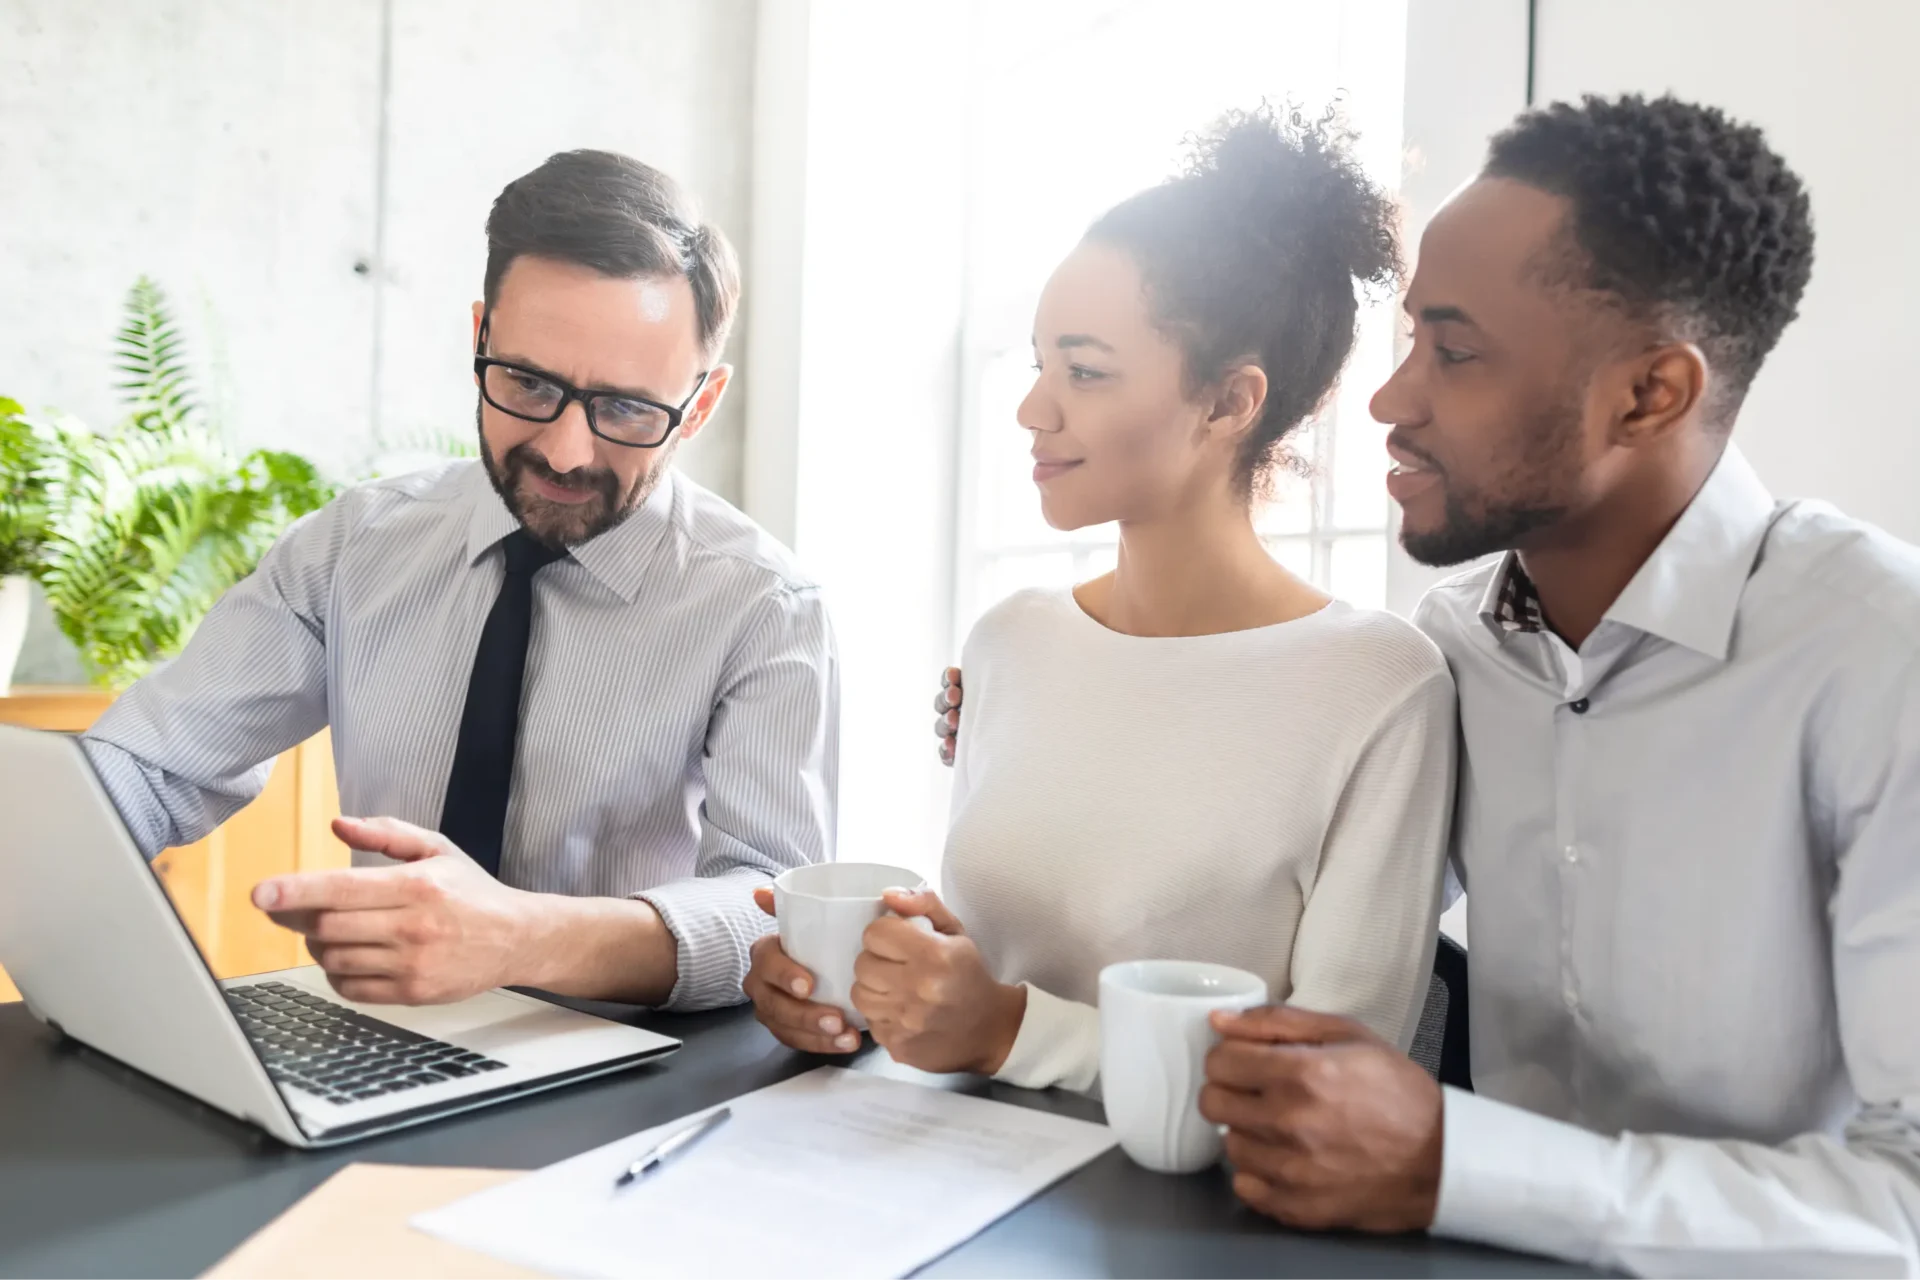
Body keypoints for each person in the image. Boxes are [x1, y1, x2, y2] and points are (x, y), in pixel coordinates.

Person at [940, 94, 1920, 1274]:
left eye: (1453, 351)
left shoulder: (1880, 659)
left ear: (1649, 393)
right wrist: (1044, 714)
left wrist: (1455, 1157)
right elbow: (1248, 806)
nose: (1392, 400)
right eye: (1409, 339)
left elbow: (1906, 1200)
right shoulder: (1454, 650)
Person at [748, 106, 1456, 1081]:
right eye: (1041, 362)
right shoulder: (1011, 641)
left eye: (1084, 370)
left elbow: (1338, 1075)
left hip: (1194, 1218)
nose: (1033, 409)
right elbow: (988, 980)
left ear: (1229, 401)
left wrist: (1006, 1028)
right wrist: (864, 994)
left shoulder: (1378, 686)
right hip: (938, 1162)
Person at [81, 150, 838, 1013]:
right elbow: (154, 767)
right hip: (387, 1044)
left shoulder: (764, 608)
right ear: (480, 336)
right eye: (527, 383)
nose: (564, 451)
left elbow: (774, 906)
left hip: (643, 1074)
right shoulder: (355, 547)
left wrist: (519, 937)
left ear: (699, 405)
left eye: (627, 409)